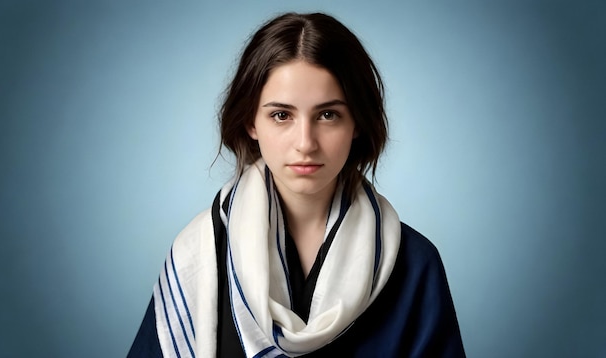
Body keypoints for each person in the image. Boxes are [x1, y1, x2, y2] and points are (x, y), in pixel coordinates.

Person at [129, 12, 465, 358]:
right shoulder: (199, 255)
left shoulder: (413, 263)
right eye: (281, 115)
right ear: (250, 122)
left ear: (358, 124)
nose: (305, 142)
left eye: (328, 114)